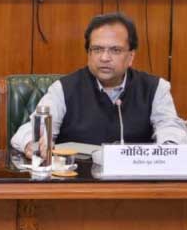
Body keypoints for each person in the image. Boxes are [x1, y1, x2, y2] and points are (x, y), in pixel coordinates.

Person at [11, 12, 187, 151]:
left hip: (135, 180)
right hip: (78, 181)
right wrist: (33, 143)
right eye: (97, 49)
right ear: (88, 53)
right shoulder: (63, 89)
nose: (104, 58)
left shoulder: (155, 88)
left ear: (131, 56)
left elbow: (170, 127)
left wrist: (170, 149)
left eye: (115, 50)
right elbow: (32, 129)